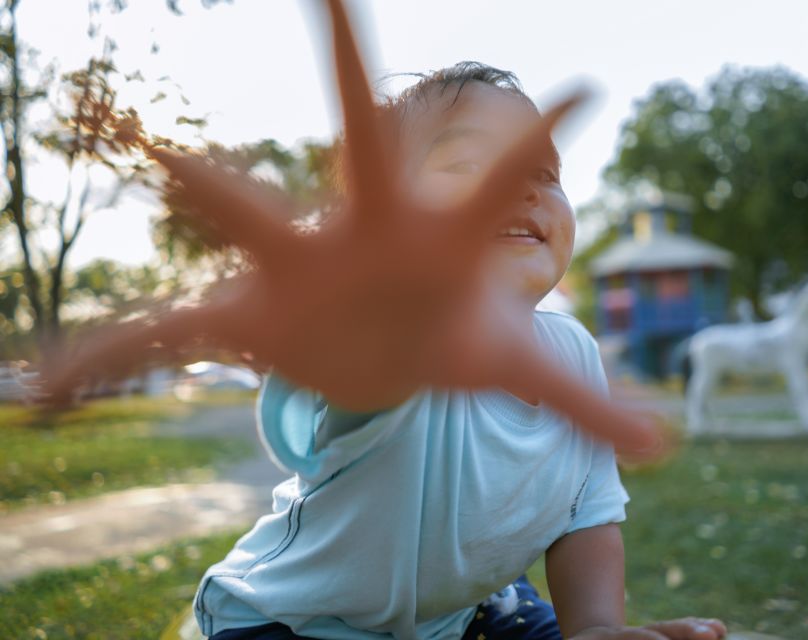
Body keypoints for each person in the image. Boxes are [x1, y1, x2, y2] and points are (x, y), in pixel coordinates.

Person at [41, 2, 726, 639]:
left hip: (456, 618)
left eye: (544, 171)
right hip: (291, 621)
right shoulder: (393, 344)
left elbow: (586, 517)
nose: (520, 185)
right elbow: (361, 367)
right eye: (465, 163)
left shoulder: (572, 352)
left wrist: (598, 629)